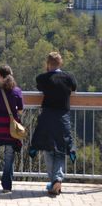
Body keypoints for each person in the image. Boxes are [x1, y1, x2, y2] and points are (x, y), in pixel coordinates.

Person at [29, 52, 77, 195]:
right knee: (61, 150)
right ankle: (57, 181)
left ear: (48, 64)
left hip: (47, 117)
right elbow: (74, 87)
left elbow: (39, 84)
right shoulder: (69, 77)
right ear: (60, 63)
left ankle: (53, 182)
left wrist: (47, 72)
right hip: (62, 117)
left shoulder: (43, 78)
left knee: (49, 150)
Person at [0, 65, 24, 193]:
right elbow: (21, 110)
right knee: (9, 158)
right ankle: (6, 187)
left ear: (0, 76)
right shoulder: (17, 91)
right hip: (11, 129)